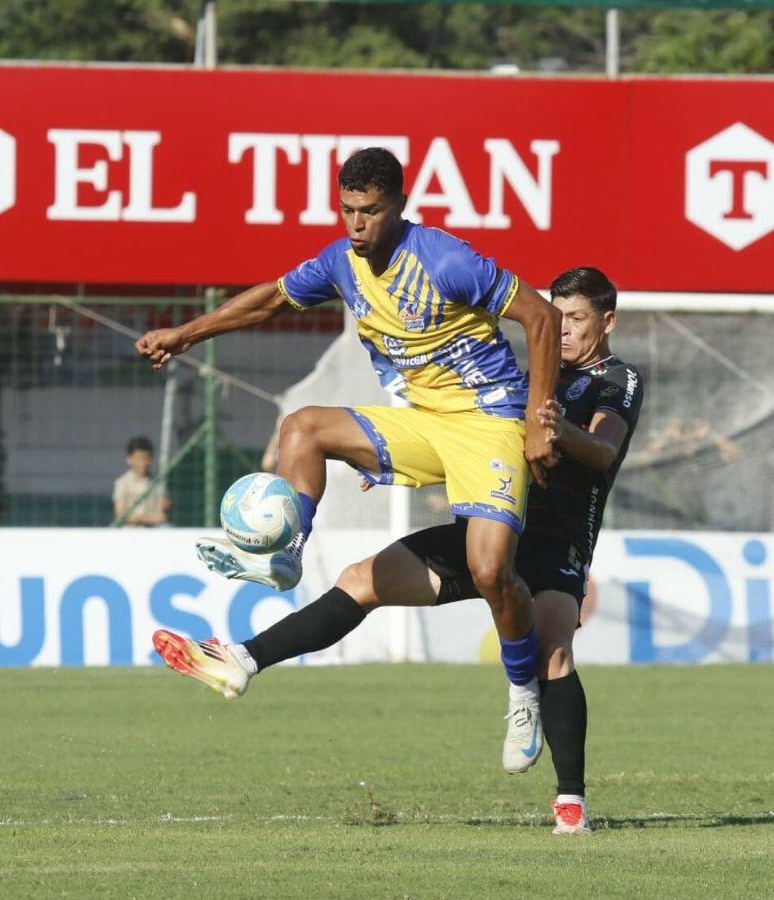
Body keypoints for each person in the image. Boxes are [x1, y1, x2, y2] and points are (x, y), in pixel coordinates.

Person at [153, 267, 642, 834]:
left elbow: (603, 451)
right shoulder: (535, 375)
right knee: (361, 578)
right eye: (555, 319)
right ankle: (241, 660)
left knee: (552, 649)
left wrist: (553, 429)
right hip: (492, 521)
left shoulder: (618, 379)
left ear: (606, 322)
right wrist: (404, 465)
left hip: (556, 541)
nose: (560, 332)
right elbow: (476, 443)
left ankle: (571, 807)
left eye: (575, 320)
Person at [136, 148, 561, 772]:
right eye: (347, 210)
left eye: (370, 211)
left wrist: (537, 419)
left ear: (398, 205)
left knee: (492, 571)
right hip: (422, 421)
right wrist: (185, 335)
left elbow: (541, 316)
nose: (357, 224)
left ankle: (523, 692)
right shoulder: (342, 263)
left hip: (488, 421)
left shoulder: (444, 259)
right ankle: (284, 553)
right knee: (302, 428)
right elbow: (270, 301)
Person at [112, 435, 170, 527]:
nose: (143, 463)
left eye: (146, 459)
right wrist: (151, 519)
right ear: (129, 459)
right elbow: (120, 515)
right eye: (138, 459)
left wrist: (166, 506)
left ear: (151, 459)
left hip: (153, 532)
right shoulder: (123, 483)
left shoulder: (157, 482)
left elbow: (164, 511)